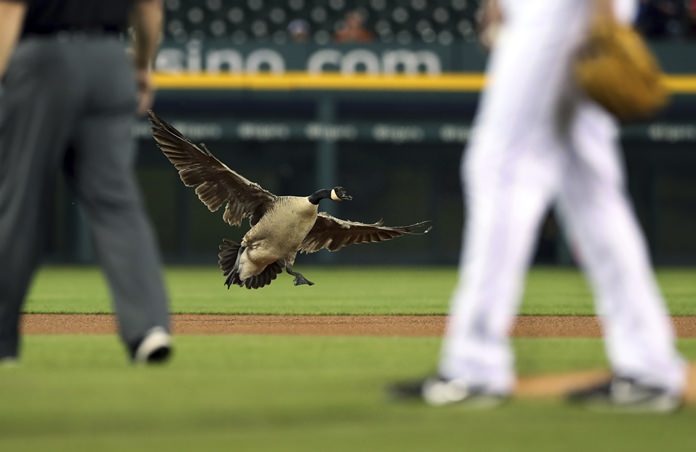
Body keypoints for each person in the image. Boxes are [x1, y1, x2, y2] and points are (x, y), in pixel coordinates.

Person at [390, 0, 686, 412]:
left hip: (562, 12)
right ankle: (649, 368)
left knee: (500, 171)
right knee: (592, 195)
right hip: (561, 13)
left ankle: (475, 366)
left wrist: (600, 13)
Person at [0, 0, 172, 364]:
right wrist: (142, 67)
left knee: (20, 202)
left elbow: (10, 8)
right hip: (110, 60)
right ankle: (149, 327)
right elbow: (150, 8)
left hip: (44, 57)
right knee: (117, 204)